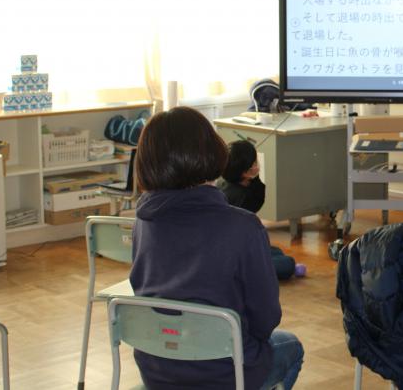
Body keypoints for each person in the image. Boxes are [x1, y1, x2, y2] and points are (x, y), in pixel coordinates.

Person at [130, 106, 304, 390]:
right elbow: (266, 318)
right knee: (291, 346)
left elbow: (141, 286)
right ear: (211, 151)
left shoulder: (143, 222)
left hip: (157, 369)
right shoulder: (243, 226)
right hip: (226, 370)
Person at [219, 139, 297, 280]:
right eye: (255, 162)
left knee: (276, 251)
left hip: (234, 248)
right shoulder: (244, 198)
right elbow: (243, 239)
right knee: (287, 264)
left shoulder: (225, 184)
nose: (258, 164)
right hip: (234, 255)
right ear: (246, 173)